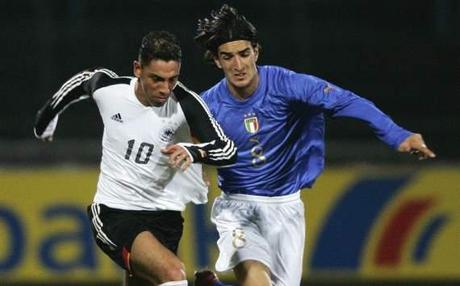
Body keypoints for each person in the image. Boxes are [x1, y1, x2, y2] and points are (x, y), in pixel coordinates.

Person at [193, 4, 436, 286]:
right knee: (257, 281)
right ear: (216, 60)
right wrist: (195, 168)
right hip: (238, 208)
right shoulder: (207, 105)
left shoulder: (288, 85)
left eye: (244, 54)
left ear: (256, 51)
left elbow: (346, 100)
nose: (238, 65)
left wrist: (397, 135)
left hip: (286, 208)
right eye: (228, 57)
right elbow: (185, 140)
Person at [34, 30, 237, 286]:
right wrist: (45, 119)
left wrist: (194, 152)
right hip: (115, 212)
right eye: (157, 79)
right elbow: (83, 82)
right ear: (137, 69)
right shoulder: (112, 91)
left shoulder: (186, 104)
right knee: (173, 273)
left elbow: (228, 149)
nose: (165, 89)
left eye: (172, 79)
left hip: (166, 219)